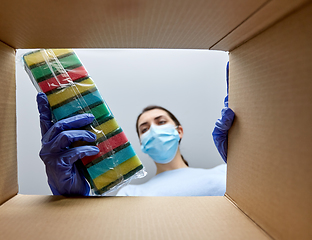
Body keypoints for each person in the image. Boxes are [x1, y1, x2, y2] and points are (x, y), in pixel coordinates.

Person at [36, 62, 234, 196]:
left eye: (161, 122)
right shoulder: (130, 193)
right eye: (144, 128)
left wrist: (240, 160)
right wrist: (70, 200)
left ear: (179, 131)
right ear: (141, 143)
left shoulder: (225, 172)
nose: (154, 130)